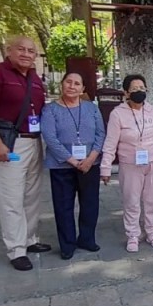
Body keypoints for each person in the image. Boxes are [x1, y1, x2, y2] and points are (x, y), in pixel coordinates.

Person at [0, 35, 50, 270]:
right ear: (9, 50)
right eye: (21, 49)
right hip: (10, 143)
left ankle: (29, 239)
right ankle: (16, 249)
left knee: (31, 194)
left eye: (31, 51)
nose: (26, 54)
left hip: (34, 142)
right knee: (11, 198)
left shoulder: (34, 78)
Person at [41, 71, 105, 259]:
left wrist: (91, 158)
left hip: (90, 164)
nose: (72, 86)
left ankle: (87, 238)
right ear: (62, 84)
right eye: (68, 82)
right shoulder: (50, 110)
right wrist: (72, 160)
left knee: (90, 204)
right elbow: (50, 138)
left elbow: (101, 133)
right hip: (61, 166)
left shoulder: (91, 108)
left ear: (82, 89)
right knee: (63, 206)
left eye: (77, 84)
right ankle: (67, 244)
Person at [101, 74, 153, 252]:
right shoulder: (118, 114)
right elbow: (110, 142)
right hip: (130, 164)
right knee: (131, 201)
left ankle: (152, 232)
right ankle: (132, 235)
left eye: (142, 88)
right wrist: (105, 168)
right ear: (126, 93)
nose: (139, 91)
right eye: (135, 89)